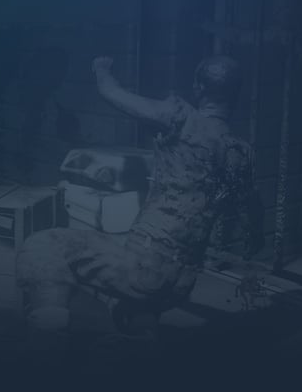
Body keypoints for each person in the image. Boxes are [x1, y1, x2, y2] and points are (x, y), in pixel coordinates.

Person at [16, 55, 263, 335]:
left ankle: (48, 340)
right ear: (236, 95)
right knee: (130, 301)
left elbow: (111, 93)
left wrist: (102, 68)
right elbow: (253, 222)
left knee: (43, 245)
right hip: (181, 282)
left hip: (146, 265)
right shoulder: (241, 152)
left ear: (199, 87)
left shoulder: (182, 118)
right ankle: (141, 334)